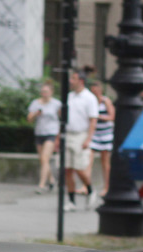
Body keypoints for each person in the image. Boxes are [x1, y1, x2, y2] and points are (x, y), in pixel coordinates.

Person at [59, 70, 99, 211]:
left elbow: (93, 120)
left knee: (80, 168)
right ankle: (71, 201)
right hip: (68, 134)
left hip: (81, 134)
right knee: (67, 169)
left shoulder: (89, 98)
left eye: (74, 78)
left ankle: (90, 189)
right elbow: (62, 118)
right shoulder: (69, 97)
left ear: (81, 81)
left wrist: (89, 138)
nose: (71, 81)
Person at [27, 82, 62, 194]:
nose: (44, 94)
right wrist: (36, 114)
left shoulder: (57, 104)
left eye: (46, 91)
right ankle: (51, 180)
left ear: (51, 92)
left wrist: (59, 135)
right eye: (43, 92)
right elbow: (29, 119)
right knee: (43, 159)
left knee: (44, 158)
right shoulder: (36, 103)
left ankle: (42, 184)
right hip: (39, 132)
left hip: (51, 132)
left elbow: (62, 119)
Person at [89, 80, 116, 198]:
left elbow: (112, 116)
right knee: (87, 160)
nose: (94, 92)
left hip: (105, 134)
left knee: (105, 162)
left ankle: (107, 187)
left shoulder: (106, 101)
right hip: (94, 134)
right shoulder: (90, 102)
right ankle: (87, 186)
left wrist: (98, 117)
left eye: (96, 89)